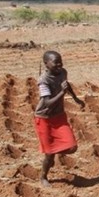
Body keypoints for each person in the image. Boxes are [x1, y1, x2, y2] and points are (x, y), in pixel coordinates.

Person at [33, 50, 85, 187]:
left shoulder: (62, 72)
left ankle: (53, 151)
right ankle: (43, 177)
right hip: (44, 118)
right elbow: (47, 103)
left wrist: (76, 98)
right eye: (56, 62)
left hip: (59, 116)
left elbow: (66, 85)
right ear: (46, 64)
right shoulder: (43, 81)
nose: (59, 65)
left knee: (72, 147)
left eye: (60, 61)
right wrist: (62, 92)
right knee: (49, 154)